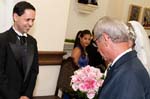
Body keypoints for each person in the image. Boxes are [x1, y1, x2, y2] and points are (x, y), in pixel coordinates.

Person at [93, 16, 150, 99]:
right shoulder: (125, 64)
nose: (97, 49)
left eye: (97, 42)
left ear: (106, 39)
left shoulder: (129, 73)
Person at [0, 1, 39, 99]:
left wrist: (27, 95)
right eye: (27, 19)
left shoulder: (32, 41)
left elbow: (34, 71)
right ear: (15, 17)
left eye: (33, 20)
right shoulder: (2, 39)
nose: (31, 24)